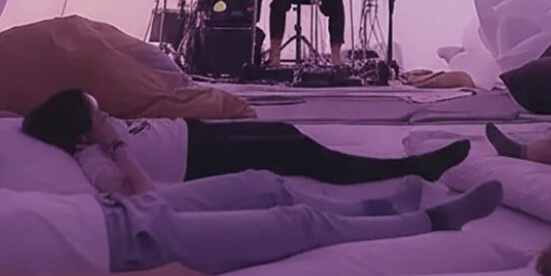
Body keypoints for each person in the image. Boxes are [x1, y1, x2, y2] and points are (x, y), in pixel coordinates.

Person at [0, 173, 504, 276]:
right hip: (136, 246)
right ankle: (429, 222)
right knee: (293, 226)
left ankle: (375, 204)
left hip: (128, 209)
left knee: (264, 183)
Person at [23, 89, 471, 195]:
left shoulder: (95, 132)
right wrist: (114, 144)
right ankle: (412, 169)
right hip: (198, 160)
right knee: (299, 155)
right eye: (97, 114)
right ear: (81, 134)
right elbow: (139, 193)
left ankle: (403, 167)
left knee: (287, 133)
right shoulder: (93, 161)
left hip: (196, 133)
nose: (106, 115)